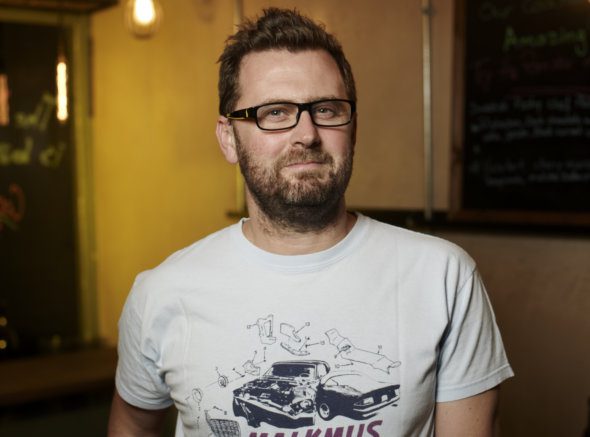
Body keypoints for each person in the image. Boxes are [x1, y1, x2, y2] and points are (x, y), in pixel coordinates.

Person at [108, 7, 513, 437]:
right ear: (228, 138)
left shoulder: (442, 277)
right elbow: (131, 427)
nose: (307, 134)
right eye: (275, 112)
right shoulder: (162, 294)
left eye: (326, 109)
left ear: (353, 128)